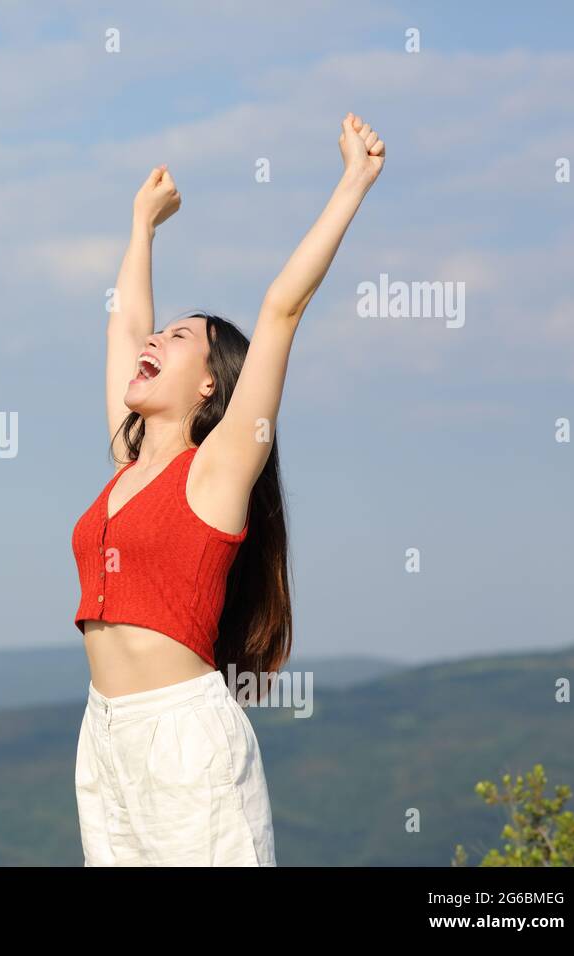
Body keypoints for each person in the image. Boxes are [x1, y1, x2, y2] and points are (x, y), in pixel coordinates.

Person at [71, 113, 386, 865]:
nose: (154, 341)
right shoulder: (128, 462)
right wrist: (142, 228)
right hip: (103, 739)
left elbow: (282, 308)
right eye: (160, 334)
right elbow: (124, 328)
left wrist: (354, 180)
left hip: (186, 742)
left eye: (179, 339)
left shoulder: (216, 476)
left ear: (211, 382)